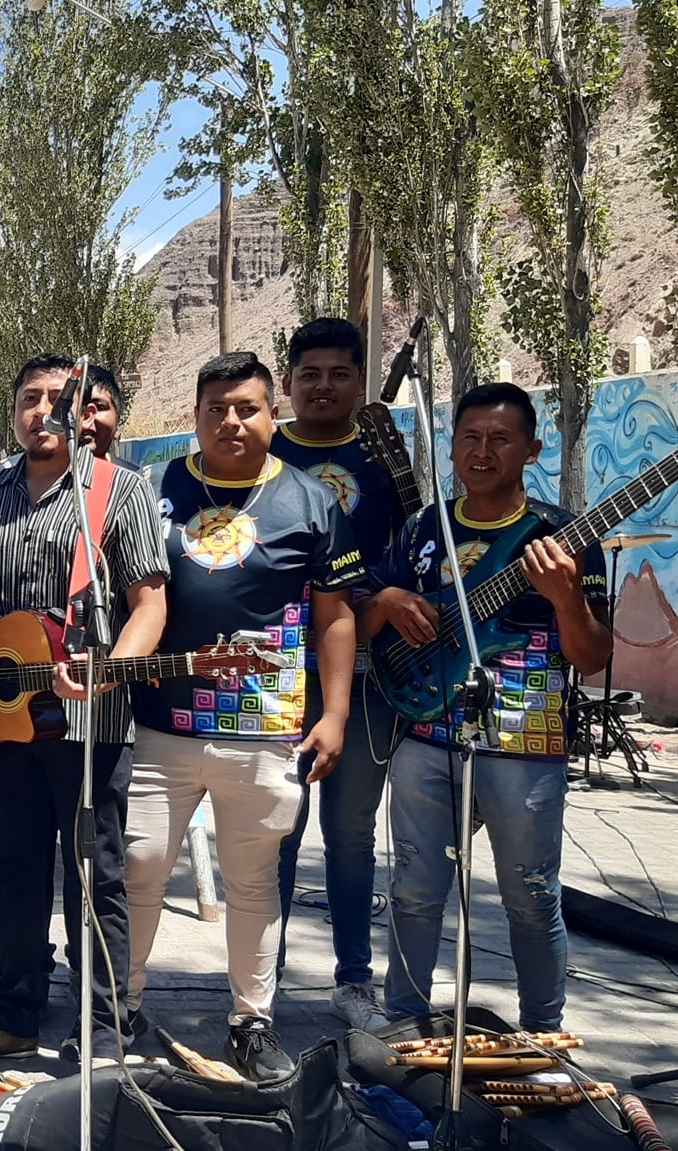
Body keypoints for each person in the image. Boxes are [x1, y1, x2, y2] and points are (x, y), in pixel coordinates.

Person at [125, 351, 364, 1082]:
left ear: (273, 413)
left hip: (264, 729)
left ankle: (252, 1022)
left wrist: (336, 714)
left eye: (247, 407)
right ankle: (115, 1006)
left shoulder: (312, 502)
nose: (231, 420)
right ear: (196, 416)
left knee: (255, 883)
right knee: (136, 867)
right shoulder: (155, 488)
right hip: (160, 723)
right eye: (216, 408)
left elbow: (336, 618)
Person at [360, 383, 608, 1033]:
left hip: (526, 745)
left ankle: (546, 1036)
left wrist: (566, 600)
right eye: (469, 437)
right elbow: (360, 618)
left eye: (500, 439)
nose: (482, 450)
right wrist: (387, 601)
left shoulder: (561, 535)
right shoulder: (424, 529)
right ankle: (402, 1025)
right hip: (424, 731)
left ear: (531, 448)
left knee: (530, 898)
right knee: (414, 893)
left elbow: (592, 658)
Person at [0, 355, 168, 1066]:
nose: (44, 409)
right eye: (29, 398)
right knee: (12, 871)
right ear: (13, 413)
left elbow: (149, 604)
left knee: (94, 876)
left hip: (88, 724)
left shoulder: (120, 491)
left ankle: (102, 1027)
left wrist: (112, 670)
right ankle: (14, 1012)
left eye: (58, 398)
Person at [268, 318, 408, 1030]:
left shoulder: (383, 456)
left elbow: (412, 553)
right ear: (288, 380)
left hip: (364, 677)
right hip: (280, 674)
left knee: (351, 833)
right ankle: (265, 975)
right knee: (277, 829)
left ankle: (355, 980)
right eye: (310, 373)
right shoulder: (264, 449)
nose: (324, 386)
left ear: (360, 380)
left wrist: (372, 597)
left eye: (340, 373)